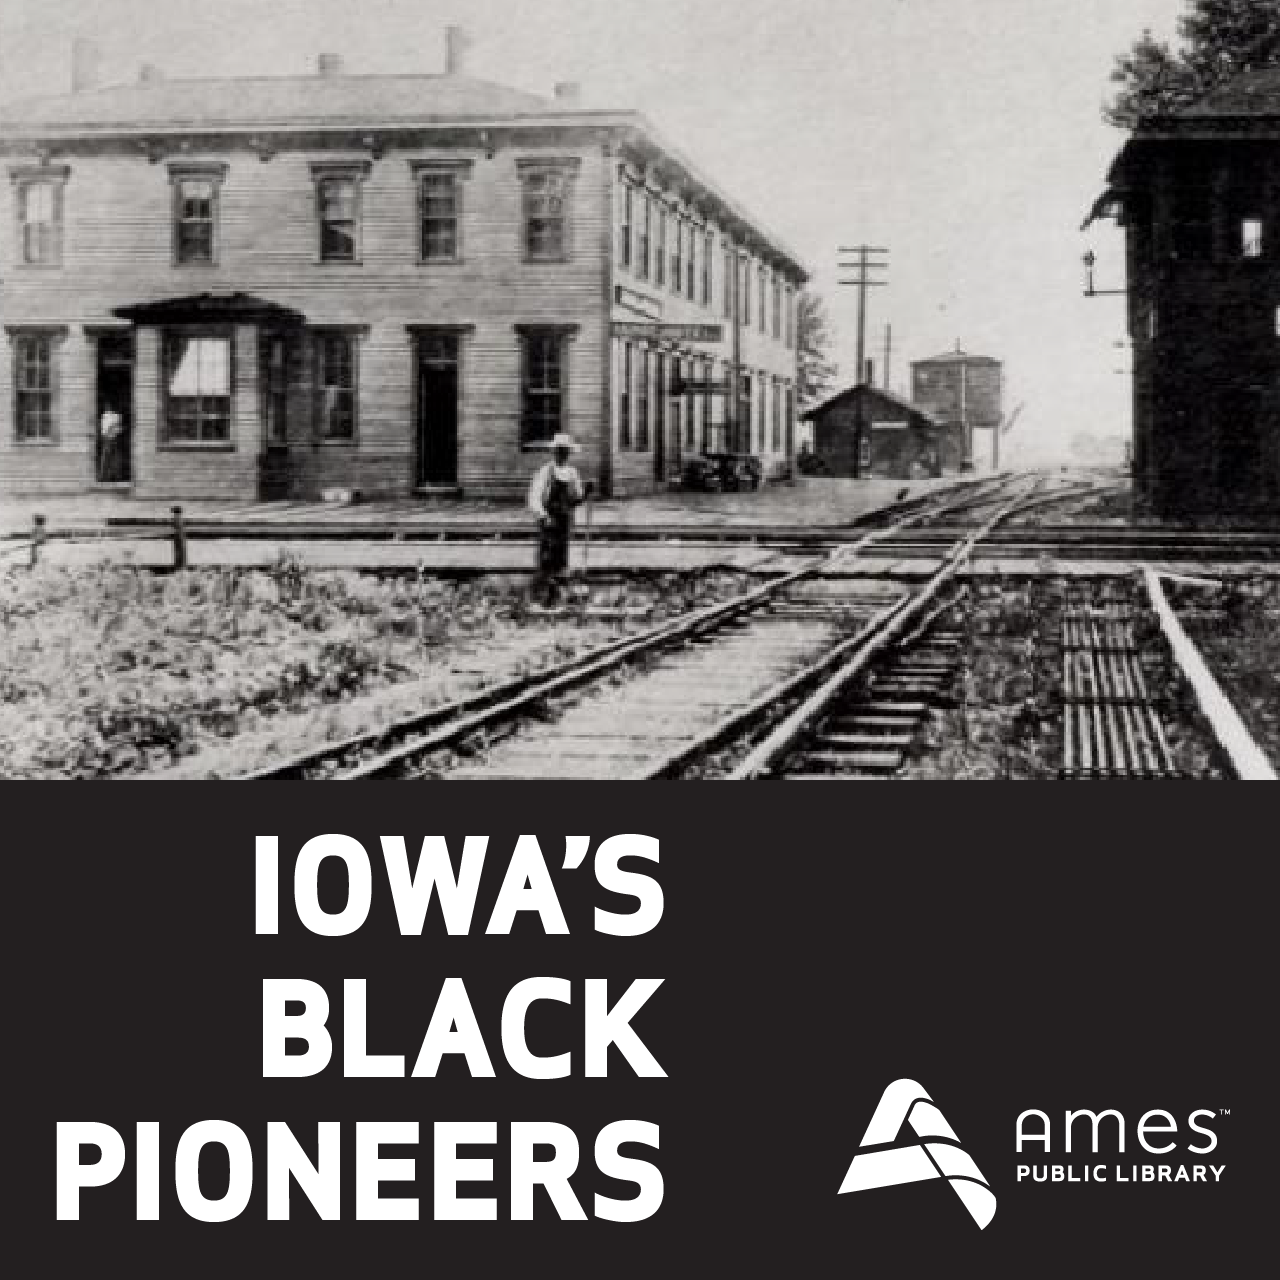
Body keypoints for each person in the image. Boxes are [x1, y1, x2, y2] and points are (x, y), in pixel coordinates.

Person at [527, 432, 587, 603]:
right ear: (554, 452)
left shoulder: (572, 473)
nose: (562, 454)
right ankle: (541, 596)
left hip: (565, 520)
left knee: (562, 556)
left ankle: (558, 596)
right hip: (548, 520)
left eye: (565, 451)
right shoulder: (546, 472)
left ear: (569, 453)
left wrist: (585, 494)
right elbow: (534, 497)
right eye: (560, 451)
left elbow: (576, 499)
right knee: (547, 557)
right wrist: (543, 516)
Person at [98, 405, 123, 482]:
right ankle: (106, 476)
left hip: (112, 438)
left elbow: (115, 427)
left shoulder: (115, 416)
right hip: (109, 438)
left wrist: (110, 431)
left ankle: (112, 476)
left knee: (112, 458)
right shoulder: (107, 415)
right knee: (109, 457)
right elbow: (106, 428)